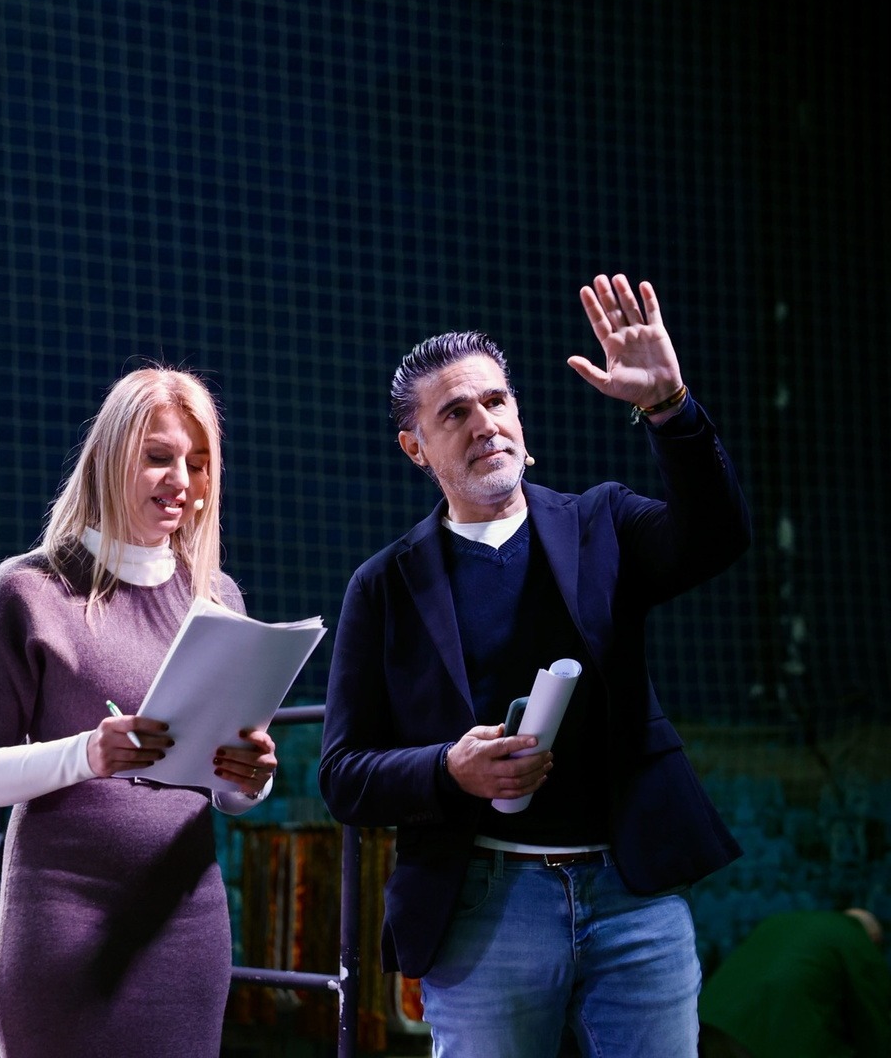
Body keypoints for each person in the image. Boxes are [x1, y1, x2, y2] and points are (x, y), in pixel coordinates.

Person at [319, 275, 752, 1057]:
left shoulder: (602, 522)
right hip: (483, 905)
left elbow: (718, 536)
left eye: (496, 401)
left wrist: (670, 408)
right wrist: (448, 769)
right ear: (416, 448)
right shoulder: (383, 587)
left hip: (632, 896)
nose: (484, 423)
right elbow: (344, 775)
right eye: (455, 413)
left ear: (519, 415)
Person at [0, 367, 278, 1057]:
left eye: (198, 463)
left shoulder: (219, 598)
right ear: (110, 458)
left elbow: (225, 795)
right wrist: (86, 755)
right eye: (159, 457)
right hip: (61, 922)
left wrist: (249, 779)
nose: (181, 480)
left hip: (185, 926)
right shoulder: (28, 590)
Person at [697, 908, 891, 1058]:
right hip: (770, 1035)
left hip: (712, 1022)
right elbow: (872, 1022)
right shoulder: (857, 939)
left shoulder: (783, 921)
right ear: (874, 938)